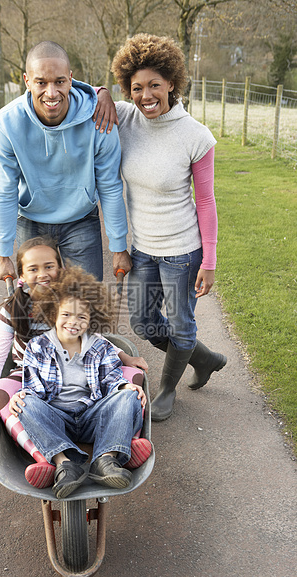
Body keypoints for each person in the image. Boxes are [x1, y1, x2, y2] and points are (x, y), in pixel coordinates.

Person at [95, 33, 227, 421]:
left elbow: (205, 200)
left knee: (181, 323)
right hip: (143, 248)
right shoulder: (124, 117)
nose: (146, 95)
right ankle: (204, 359)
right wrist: (102, 91)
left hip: (183, 253)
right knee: (143, 321)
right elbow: (80, 91)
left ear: (172, 82)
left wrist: (210, 260)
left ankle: (169, 388)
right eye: (136, 87)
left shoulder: (196, 136)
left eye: (155, 85)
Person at [0, 236, 150, 488]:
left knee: (132, 383)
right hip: (33, 376)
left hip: (87, 392)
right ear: (22, 276)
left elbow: (95, 340)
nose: (42, 274)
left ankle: (112, 454)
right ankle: (53, 460)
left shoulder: (70, 299)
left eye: (49, 266)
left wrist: (124, 359)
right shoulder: (16, 312)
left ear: (60, 269)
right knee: (8, 396)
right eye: (33, 269)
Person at [0, 40, 132, 282]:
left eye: (59, 81)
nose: (51, 92)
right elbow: (4, 192)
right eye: (41, 83)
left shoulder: (98, 119)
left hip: (81, 221)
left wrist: (118, 247)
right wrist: (3, 253)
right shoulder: (7, 124)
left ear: (70, 78)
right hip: (32, 220)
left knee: (85, 304)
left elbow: (110, 185)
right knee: (37, 307)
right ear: (27, 81)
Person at [8, 265, 147, 499]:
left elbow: (112, 377)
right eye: (66, 314)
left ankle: (105, 461)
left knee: (130, 395)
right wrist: (25, 397)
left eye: (81, 316)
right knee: (23, 404)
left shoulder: (100, 346)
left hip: (93, 413)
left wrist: (125, 386)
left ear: (91, 319)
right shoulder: (38, 346)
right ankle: (65, 463)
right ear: (54, 314)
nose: (73, 322)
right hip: (56, 416)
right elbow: (32, 386)